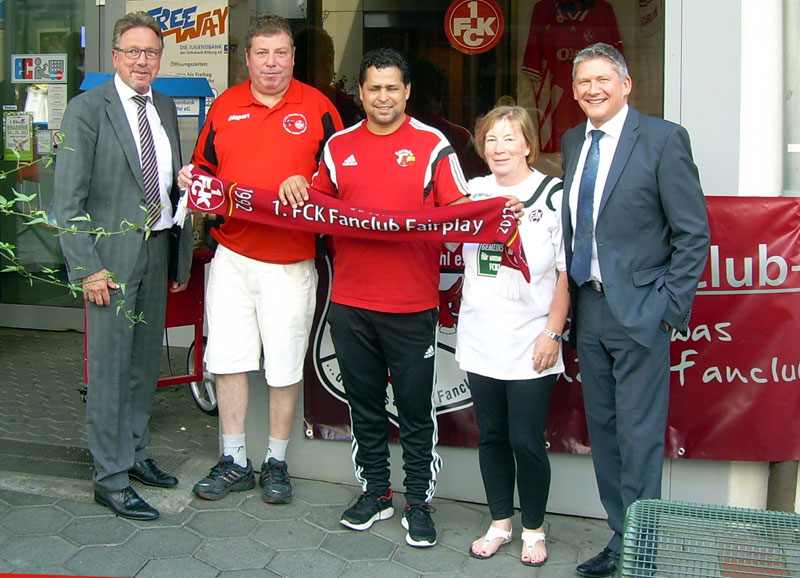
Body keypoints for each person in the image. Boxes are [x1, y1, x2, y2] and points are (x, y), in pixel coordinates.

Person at [279, 47, 485, 548]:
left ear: (407, 91)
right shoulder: (339, 145)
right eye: (374, 88)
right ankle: (374, 492)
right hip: (350, 302)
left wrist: (488, 210)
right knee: (365, 405)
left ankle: (418, 501)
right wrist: (292, 184)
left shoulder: (433, 144)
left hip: (412, 304)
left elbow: (457, 211)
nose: (383, 97)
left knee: (415, 410)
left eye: (393, 87)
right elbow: (316, 200)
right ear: (361, 93)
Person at [179, 14, 342, 505]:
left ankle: (276, 461)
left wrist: (311, 186)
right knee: (227, 359)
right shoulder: (226, 105)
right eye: (262, 53)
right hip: (232, 256)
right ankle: (233, 460)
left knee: (285, 364)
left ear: (293, 57)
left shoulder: (319, 108)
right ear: (247, 58)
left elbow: (343, 177)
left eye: (281, 53)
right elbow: (205, 166)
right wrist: (191, 176)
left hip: (291, 261)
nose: (271, 63)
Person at [561, 43, 709, 577]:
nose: (592, 89)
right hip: (591, 306)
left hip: (642, 310)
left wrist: (669, 308)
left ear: (626, 85)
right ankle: (621, 536)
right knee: (602, 429)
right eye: (582, 81)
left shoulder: (664, 139)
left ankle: (643, 548)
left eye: (603, 79)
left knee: (639, 434)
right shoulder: (574, 140)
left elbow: (693, 234)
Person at [52, 11, 193, 520]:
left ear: (160, 58)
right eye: (133, 51)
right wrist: (86, 267)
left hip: (155, 251)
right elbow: (66, 201)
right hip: (108, 263)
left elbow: (173, 185)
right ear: (115, 57)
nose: (142, 61)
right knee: (109, 370)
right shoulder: (87, 110)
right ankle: (109, 478)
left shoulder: (165, 105)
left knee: (141, 366)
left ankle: (134, 453)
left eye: (151, 52)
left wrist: (179, 252)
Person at [456, 105, 568, 567]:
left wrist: (552, 334)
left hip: (531, 339)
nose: (499, 148)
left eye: (509, 138)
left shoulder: (553, 194)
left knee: (526, 439)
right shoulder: (472, 192)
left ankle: (534, 528)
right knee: (492, 437)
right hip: (481, 336)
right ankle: (500, 522)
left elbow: (566, 275)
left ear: (528, 144)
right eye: (490, 140)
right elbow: (435, 221)